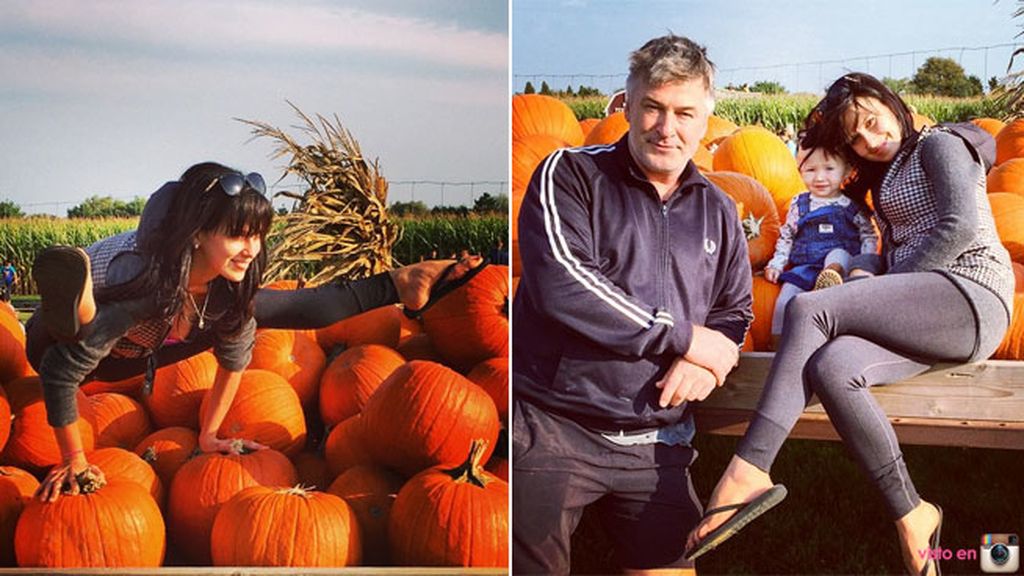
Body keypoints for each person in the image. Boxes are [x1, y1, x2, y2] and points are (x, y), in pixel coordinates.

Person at [685, 73, 1013, 576]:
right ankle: (914, 513)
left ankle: (748, 467)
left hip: (970, 295)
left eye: (872, 123)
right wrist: (868, 271)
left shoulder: (940, 144)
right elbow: (896, 247)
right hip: (929, 309)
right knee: (834, 366)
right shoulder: (890, 172)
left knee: (806, 309)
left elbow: (960, 227)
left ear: (889, 102)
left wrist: (877, 288)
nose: (870, 141)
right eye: (856, 139)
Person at [27, 162, 481, 502]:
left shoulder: (226, 288)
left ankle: (399, 281)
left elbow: (233, 361)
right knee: (78, 338)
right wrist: (75, 462)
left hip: (143, 344)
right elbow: (58, 373)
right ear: (199, 234)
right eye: (238, 236)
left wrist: (209, 434)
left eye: (258, 235)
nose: (251, 249)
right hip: (56, 343)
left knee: (279, 308)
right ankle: (79, 305)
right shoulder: (149, 284)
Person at [512, 35, 752, 573]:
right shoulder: (570, 174)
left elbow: (735, 311)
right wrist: (685, 338)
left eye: (685, 113)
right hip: (555, 427)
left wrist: (712, 357)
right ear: (628, 102)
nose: (668, 129)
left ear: (706, 116)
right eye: (653, 108)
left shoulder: (718, 209)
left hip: (657, 439)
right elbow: (564, 285)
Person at [764, 143, 878, 343]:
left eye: (829, 169)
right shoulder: (799, 205)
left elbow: (868, 235)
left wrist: (865, 261)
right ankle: (778, 343)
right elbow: (787, 235)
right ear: (799, 172)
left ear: (846, 171)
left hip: (842, 266)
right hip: (805, 267)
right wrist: (777, 263)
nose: (819, 177)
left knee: (838, 254)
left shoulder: (851, 205)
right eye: (810, 170)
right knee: (785, 301)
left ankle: (831, 276)